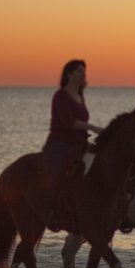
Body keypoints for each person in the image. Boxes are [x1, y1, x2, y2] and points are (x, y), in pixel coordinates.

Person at [42, 60, 103, 231]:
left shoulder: (80, 96)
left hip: (79, 144)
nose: (83, 74)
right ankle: (51, 212)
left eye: (84, 71)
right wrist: (94, 128)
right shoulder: (61, 95)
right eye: (78, 71)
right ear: (69, 74)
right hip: (60, 144)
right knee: (58, 174)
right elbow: (69, 122)